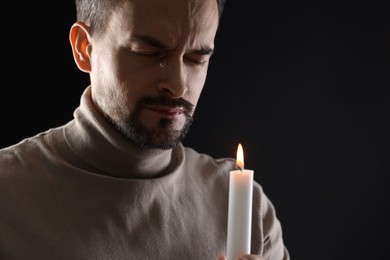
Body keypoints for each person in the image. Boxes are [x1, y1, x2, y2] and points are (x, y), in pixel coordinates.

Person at [0, 0, 289, 259]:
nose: (177, 85)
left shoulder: (247, 209)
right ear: (84, 49)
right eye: (148, 52)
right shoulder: (8, 196)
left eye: (196, 58)